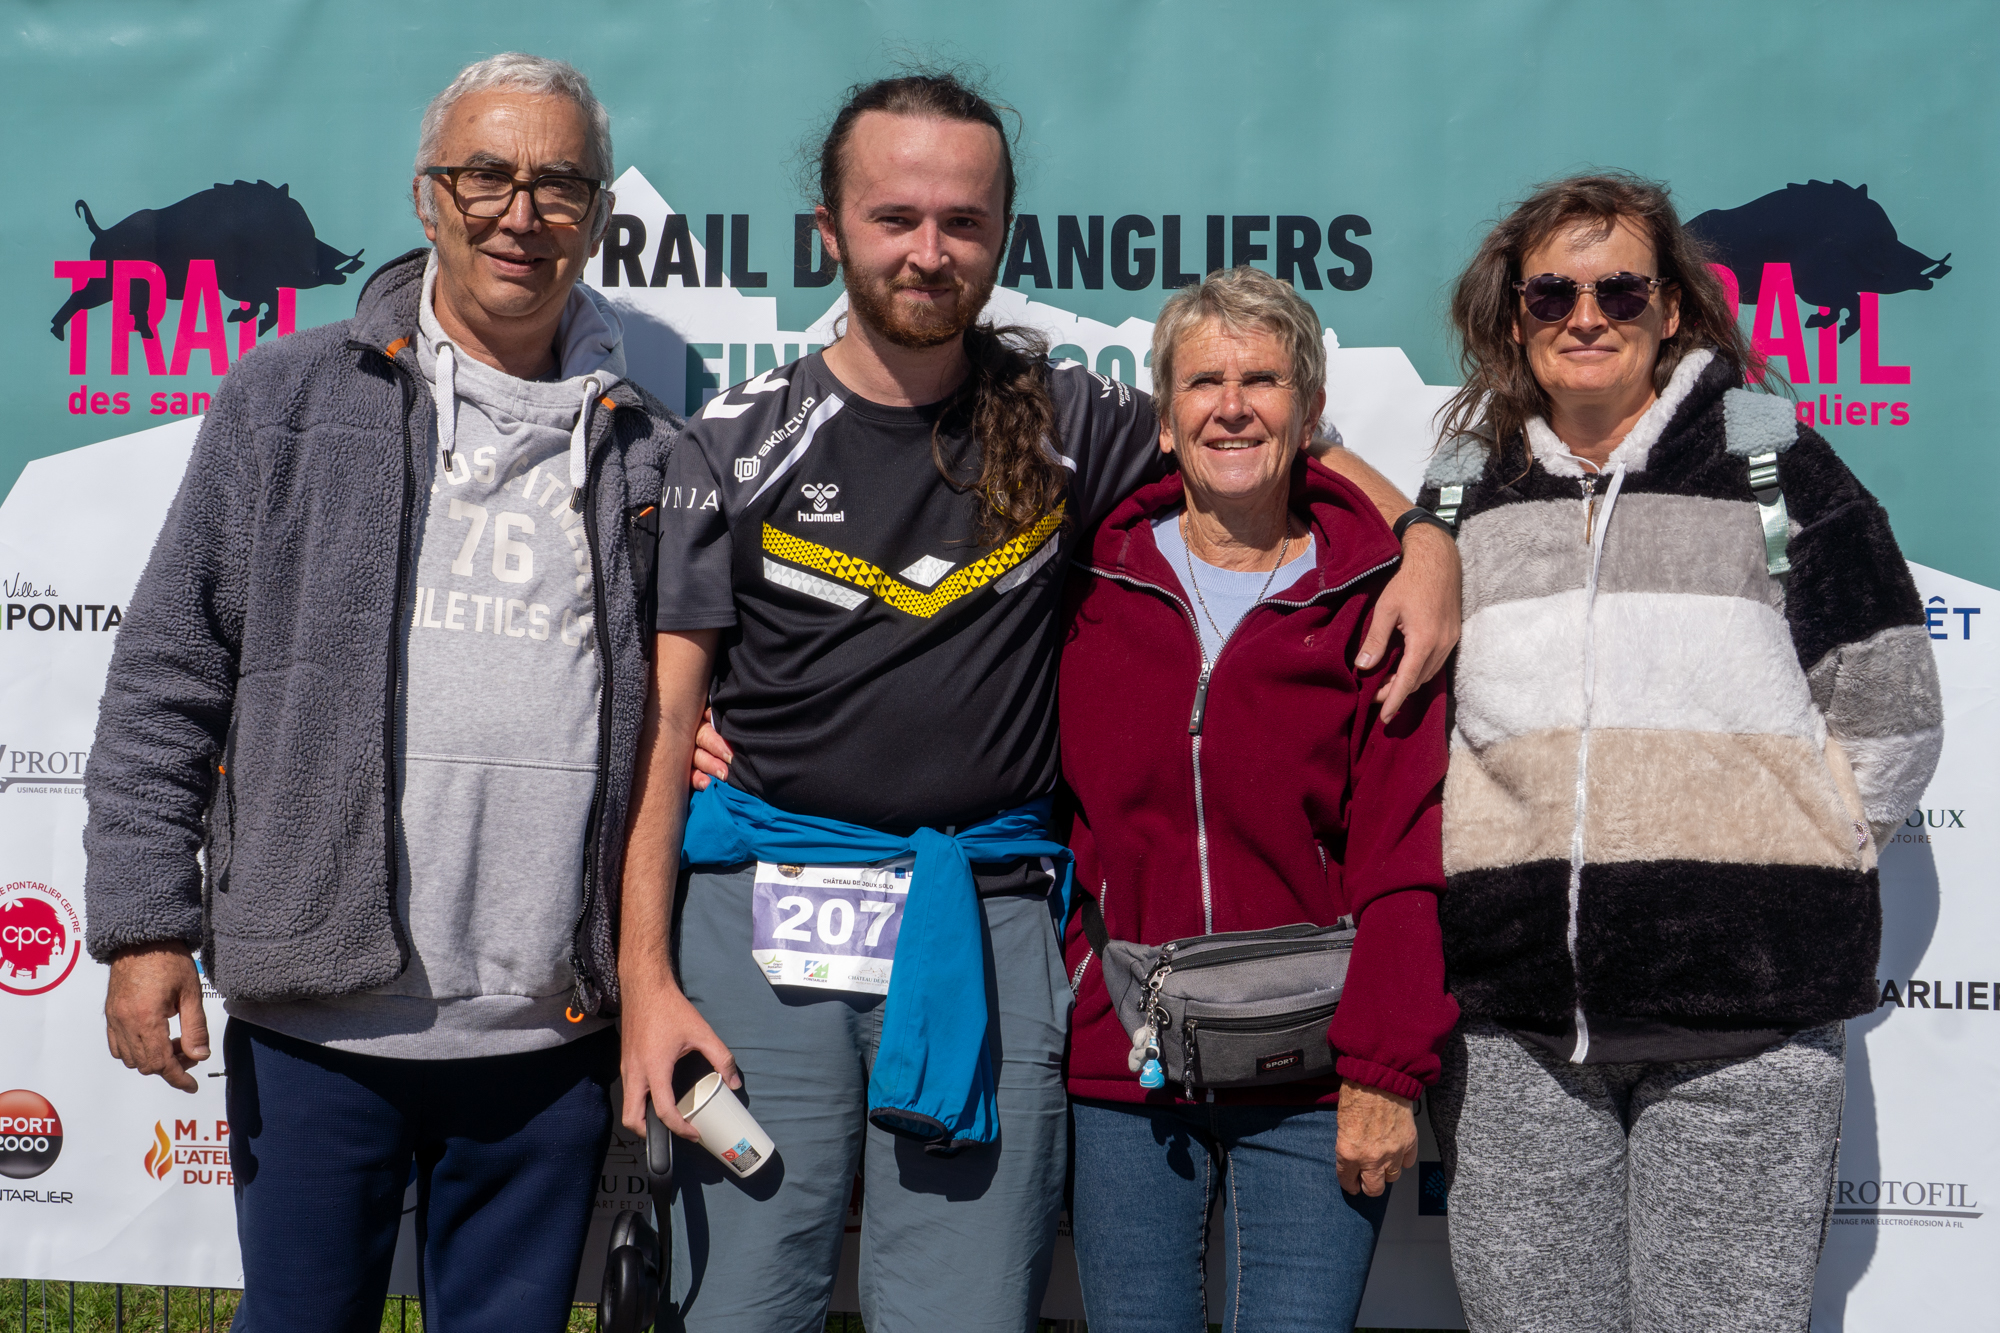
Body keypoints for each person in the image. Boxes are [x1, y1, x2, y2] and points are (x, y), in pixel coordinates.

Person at [620, 71, 1462, 1333]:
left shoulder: (1076, 420)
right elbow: (661, 726)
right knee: (741, 1301)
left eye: (961, 221)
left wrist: (1425, 542)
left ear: (1002, 233)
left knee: (961, 1309)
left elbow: (1262, 441)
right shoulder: (728, 445)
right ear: (827, 229)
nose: (928, 250)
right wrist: (643, 979)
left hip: (988, 917)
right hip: (760, 925)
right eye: (894, 216)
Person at [82, 54, 681, 1333]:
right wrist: (144, 928)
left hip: (547, 1036)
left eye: (559, 183)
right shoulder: (288, 400)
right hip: (319, 1023)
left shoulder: (648, 445)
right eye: (485, 175)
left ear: (596, 215)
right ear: (426, 196)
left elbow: (673, 701)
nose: (521, 212)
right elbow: (166, 674)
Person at [1418, 173, 1943, 1331]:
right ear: (1513, 312)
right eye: (1550, 293)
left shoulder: (1768, 459)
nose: (1584, 316)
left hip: (1744, 1024)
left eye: (1618, 290)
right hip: (1515, 1026)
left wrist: (1803, 849)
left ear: (1667, 309)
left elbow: (1889, 698)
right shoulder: (1467, 480)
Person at [1057, 266, 1457, 1333]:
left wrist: (1383, 1070)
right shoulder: (1089, 585)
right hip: (1129, 1067)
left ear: (1310, 412)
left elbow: (1404, 854)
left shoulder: (1374, 604)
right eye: (1203, 382)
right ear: (1163, 418)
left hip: (1315, 1073)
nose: (1230, 407)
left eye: (1262, 380)